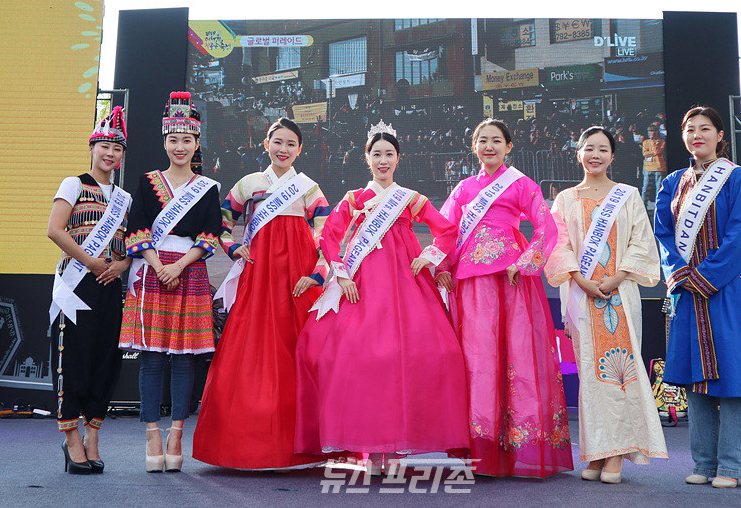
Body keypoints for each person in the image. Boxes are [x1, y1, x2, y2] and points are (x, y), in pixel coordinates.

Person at [295, 122, 469, 473]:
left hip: (406, 281)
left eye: (389, 154)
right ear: (367, 158)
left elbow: (447, 230)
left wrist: (431, 256)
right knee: (359, 357)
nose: (383, 160)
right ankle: (371, 450)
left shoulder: (410, 198)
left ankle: (396, 445)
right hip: (363, 284)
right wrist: (342, 274)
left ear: (398, 158)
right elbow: (330, 238)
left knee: (416, 355)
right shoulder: (354, 198)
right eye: (377, 154)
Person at [436, 118, 573, 479]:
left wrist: (527, 261)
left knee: (516, 354)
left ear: (509, 146)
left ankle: (516, 443)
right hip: (470, 281)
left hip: (510, 278)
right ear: (473, 146)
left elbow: (547, 226)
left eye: (497, 140)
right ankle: (481, 445)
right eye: (482, 140)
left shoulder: (522, 185)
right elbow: (446, 230)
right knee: (478, 357)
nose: (489, 146)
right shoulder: (464, 188)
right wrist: (442, 266)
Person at [193, 118, 330, 470]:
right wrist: (233, 246)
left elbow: (324, 231)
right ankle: (249, 443)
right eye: (277, 142)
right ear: (266, 145)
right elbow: (223, 221)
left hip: (297, 275)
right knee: (253, 344)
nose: (283, 149)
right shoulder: (249, 183)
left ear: (300, 150)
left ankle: (305, 443)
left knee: (299, 345)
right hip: (259, 271)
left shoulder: (309, 187)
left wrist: (317, 273)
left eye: (291, 144)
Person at [655, 106, 741, 489]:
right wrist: (681, 274)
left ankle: (732, 466)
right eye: (689, 129)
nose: (696, 135)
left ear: (721, 135)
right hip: (688, 293)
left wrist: (705, 276)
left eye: (705, 129)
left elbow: (740, 235)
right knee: (694, 377)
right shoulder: (672, 183)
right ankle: (703, 463)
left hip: (726, 291)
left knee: (732, 376)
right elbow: (664, 235)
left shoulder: (735, 179)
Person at [545, 126, 667, 484]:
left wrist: (615, 279)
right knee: (590, 377)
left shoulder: (627, 195)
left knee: (619, 374)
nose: (595, 154)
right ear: (578, 153)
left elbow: (641, 242)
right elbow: (558, 244)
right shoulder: (565, 199)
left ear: (612, 156)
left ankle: (617, 454)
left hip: (620, 295)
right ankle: (596, 452)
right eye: (589, 148)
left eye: (603, 149)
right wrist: (580, 279)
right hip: (582, 297)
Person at [120, 92, 222, 473]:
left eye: (187, 140)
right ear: (164, 142)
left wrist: (179, 265)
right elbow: (137, 230)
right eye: (173, 140)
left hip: (188, 270)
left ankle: (177, 433)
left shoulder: (208, 187)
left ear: (196, 143)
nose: (180, 147)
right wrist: (158, 264)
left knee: (184, 360)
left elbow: (211, 236)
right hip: (151, 269)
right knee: (150, 359)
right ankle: (151, 433)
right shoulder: (147, 182)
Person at [46, 107, 132, 474]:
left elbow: (133, 244)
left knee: (104, 361)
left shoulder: (125, 199)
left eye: (117, 148)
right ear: (92, 147)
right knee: (75, 361)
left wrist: (121, 265)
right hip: (77, 284)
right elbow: (55, 229)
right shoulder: (74, 183)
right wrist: (92, 261)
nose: (109, 154)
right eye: (104, 146)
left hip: (111, 286)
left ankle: (94, 433)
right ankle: (72, 439)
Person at [641, 125, 666, 201]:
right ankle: (643, 206)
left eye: (654, 131)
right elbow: (644, 153)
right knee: (645, 188)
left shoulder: (661, 141)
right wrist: (654, 153)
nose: (652, 133)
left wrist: (651, 152)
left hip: (659, 167)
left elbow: (659, 150)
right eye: (650, 131)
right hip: (648, 168)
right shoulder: (646, 142)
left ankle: (657, 207)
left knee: (659, 188)